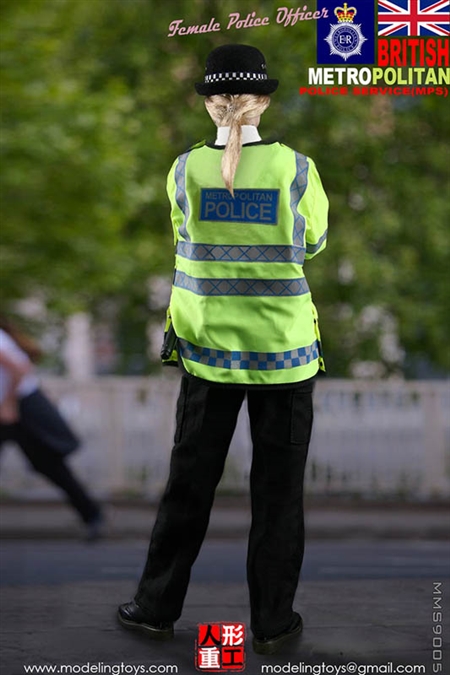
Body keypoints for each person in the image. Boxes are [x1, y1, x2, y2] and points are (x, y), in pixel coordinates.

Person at [118, 44, 328, 654]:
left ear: (211, 105)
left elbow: (184, 243)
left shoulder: (183, 171)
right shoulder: (297, 170)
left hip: (206, 353)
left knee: (189, 484)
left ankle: (155, 608)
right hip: (285, 357)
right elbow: (311, 243)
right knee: (279, 496)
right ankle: (271, 626)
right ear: (263, 101)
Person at [0, 315, 104, 541]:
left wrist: (8, 404)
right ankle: (92, 514)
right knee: (48, 465)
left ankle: (93, 514)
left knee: (49, 464)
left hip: (19, 408)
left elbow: (19, 369)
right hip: (13, 408)